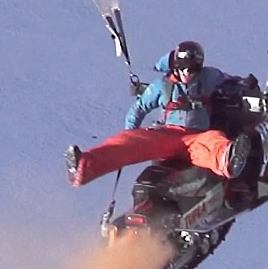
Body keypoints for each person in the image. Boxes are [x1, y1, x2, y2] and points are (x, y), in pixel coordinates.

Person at [65, 40, 252, 188]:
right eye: (183, 67)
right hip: (168, 134)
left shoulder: (209, 77)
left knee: (214, 139)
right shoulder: (161, 86)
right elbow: (138, 109)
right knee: (127, 142)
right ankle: (83, 166)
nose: (188, 73)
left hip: (196, 136)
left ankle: (229, 159)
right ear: (176, 65)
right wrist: (131, 133)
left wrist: (244, 84)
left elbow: (228, 80)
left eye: (193, 69)